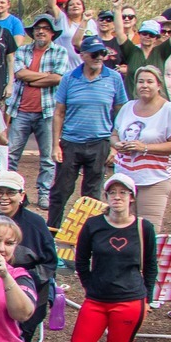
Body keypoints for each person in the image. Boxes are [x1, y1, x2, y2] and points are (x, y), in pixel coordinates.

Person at [54, 173, 157, 342]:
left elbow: (151, 265)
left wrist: (147, 299)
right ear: (106, 196)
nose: (117, 197)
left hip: (130, 301)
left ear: (132, 197)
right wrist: (90, 287)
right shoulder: (93, 225)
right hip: (97, 301)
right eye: (112, 192)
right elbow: (81, 260)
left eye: (123, 193)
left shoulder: (143, 228)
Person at [48, 35, 130, 226]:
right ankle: (51, 232)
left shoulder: (114, 78)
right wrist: (55, 145)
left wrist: (115, 146)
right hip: (70, 142)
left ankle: (85, 235)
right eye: (94, 54)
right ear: (83, 55)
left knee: (92, 195)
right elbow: (59, 112)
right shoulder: (69, 78)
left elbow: (122, 113)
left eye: (102, 53)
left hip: (100, 142)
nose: (99, 57)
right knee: (61, 190)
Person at [110, 65, 171, 230]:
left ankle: (146, 257)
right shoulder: (127, 107)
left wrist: (145, 147)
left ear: (159, 85)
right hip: (124, 177)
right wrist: (117, 144)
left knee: (148, 230)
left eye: (149, 81)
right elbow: (114, 134)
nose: (144, 85)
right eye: (140, 82)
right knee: (121, 227)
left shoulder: (169, 109)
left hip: (154, 178)